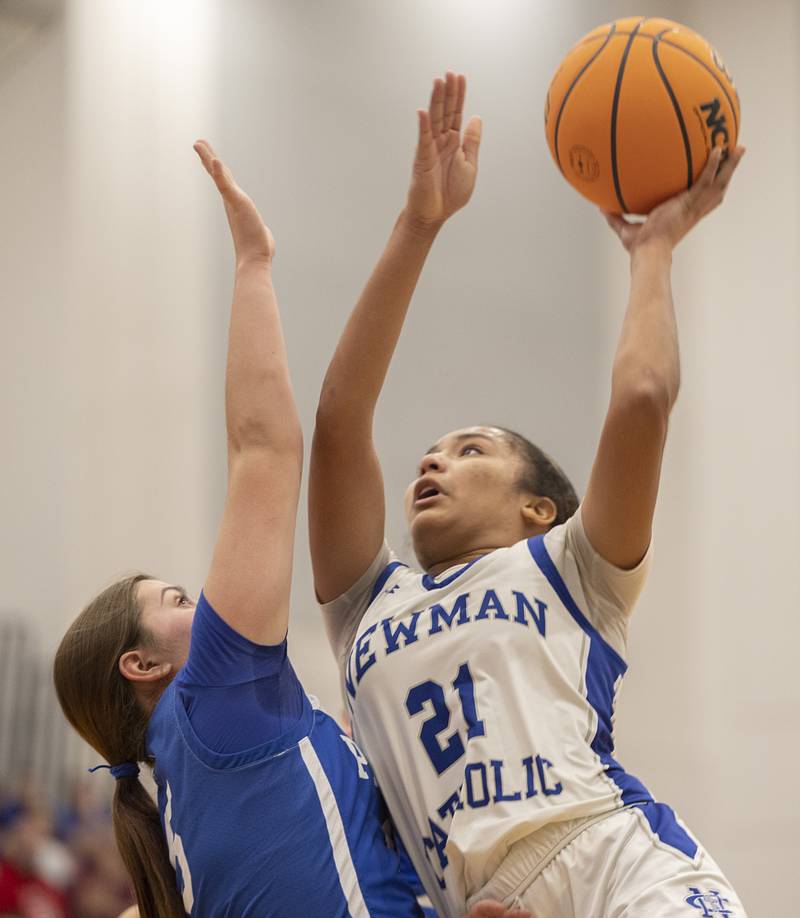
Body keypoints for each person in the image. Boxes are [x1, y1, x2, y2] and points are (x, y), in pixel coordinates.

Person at [309, 71, 748, 917]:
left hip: (625, 870)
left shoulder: (572, 570)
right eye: (427, 455)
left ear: (538, 508)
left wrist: (651, 250)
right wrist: (417, 225)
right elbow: (339, 419)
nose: (431, 464)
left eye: (469, 450)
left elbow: (643, 400)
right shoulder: (366, 604)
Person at [54, 141, 527, 918]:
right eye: (174, 598)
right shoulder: (211, 697)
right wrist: (252, 264)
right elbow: (263, 449)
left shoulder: (184, 793)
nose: (199, 602)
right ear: (142, 664)